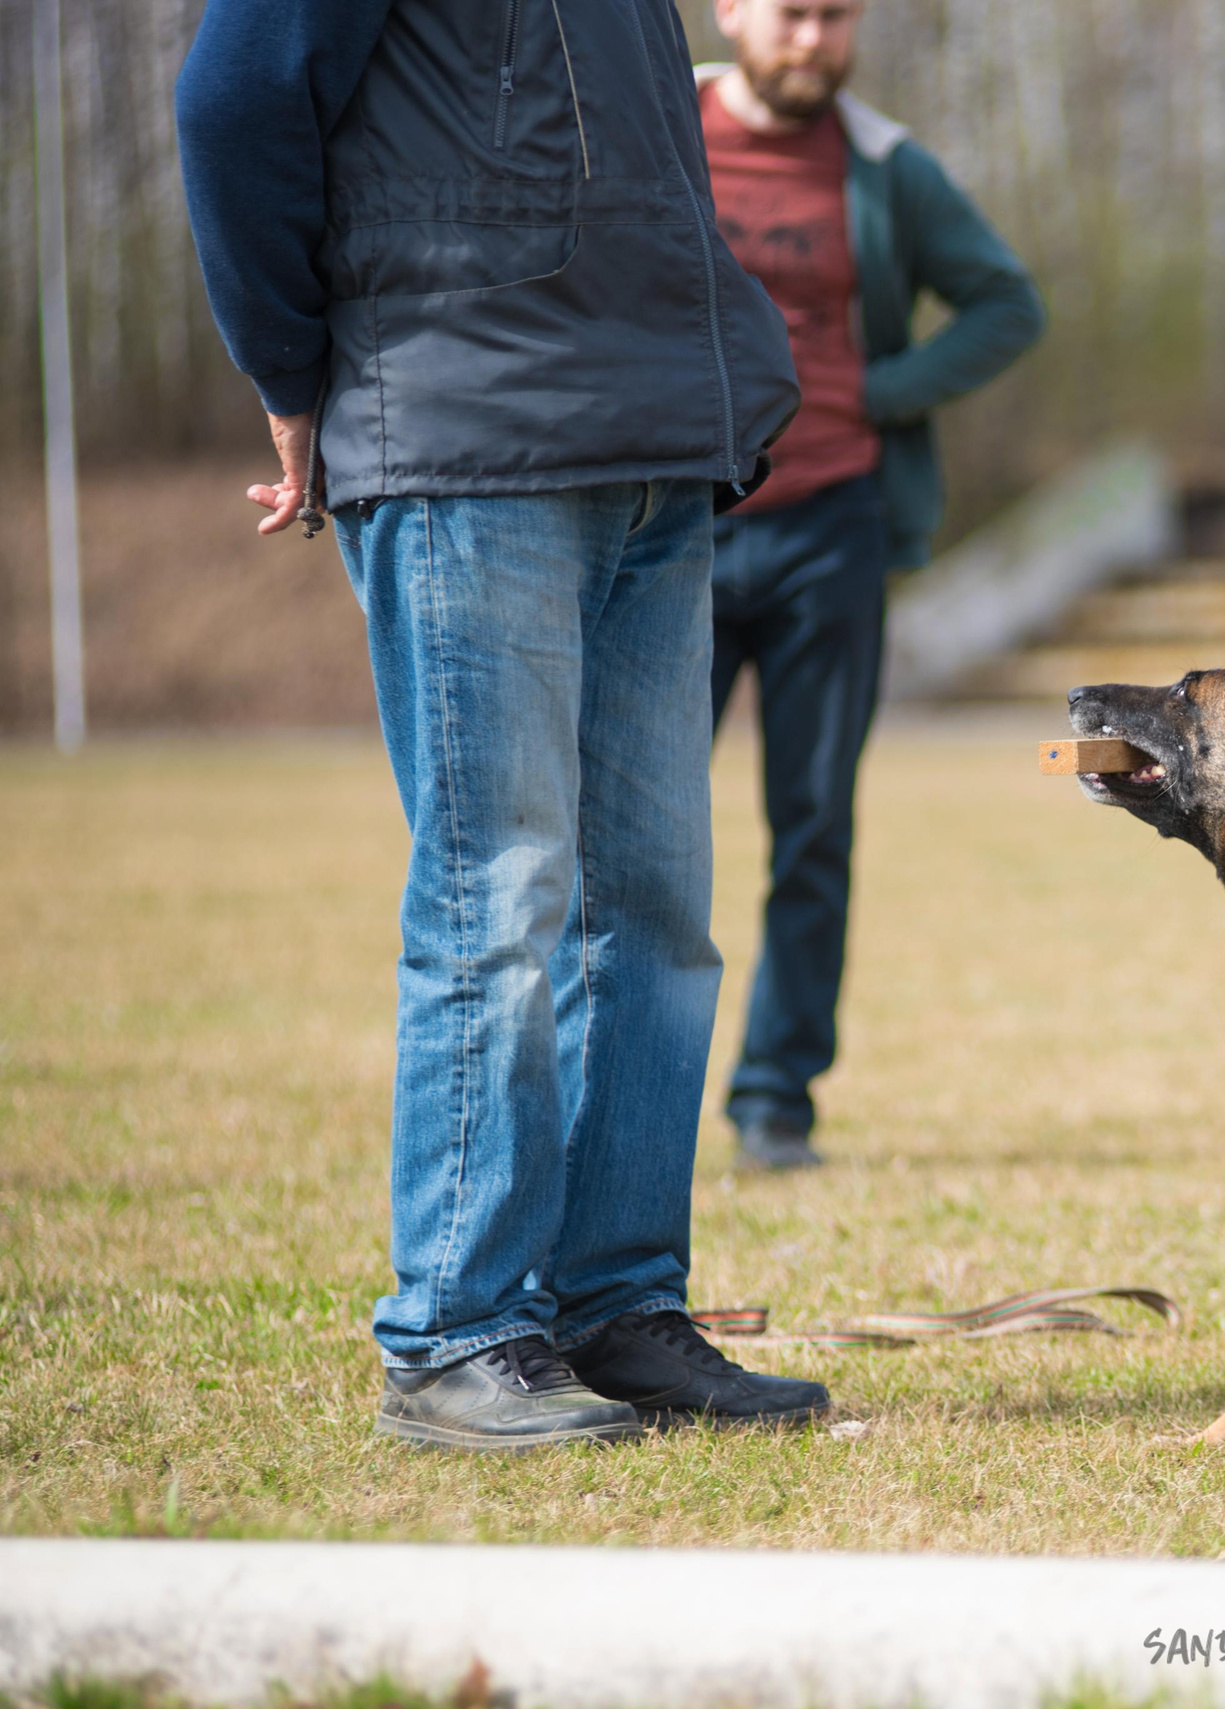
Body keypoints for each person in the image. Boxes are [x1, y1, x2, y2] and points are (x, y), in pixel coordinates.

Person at [176, 0, 835, 1447]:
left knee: (658, 914)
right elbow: (232, 104)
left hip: (658, 442)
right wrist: (294, 377)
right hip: (471, 445)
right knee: (502, 893)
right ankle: (459, 1332)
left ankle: (614, 1310)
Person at [696, 0, 1045, 1172]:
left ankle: (774, 1100)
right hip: (666, 532)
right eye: (793, 12)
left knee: (812, 825)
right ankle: (613, 1095)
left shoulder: (888, 165)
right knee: (635, 833)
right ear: (731, 10)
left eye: (837, 17)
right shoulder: (656, 127)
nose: (814, 40)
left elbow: (1007, 303)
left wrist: (880, 392)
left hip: (831, 532)